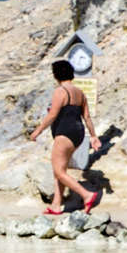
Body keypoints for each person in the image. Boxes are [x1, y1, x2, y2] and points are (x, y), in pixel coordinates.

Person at [31, 59, 101, 214]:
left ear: (56, 75)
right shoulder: (80, 93)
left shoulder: (61, 91)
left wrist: (38, 130)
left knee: (59, 171)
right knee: (60, 169)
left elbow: (52, 115)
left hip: (65, 132)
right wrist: (94, 136)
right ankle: (56, 205)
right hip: (78, 133)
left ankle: (86, 195)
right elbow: (87, 117)